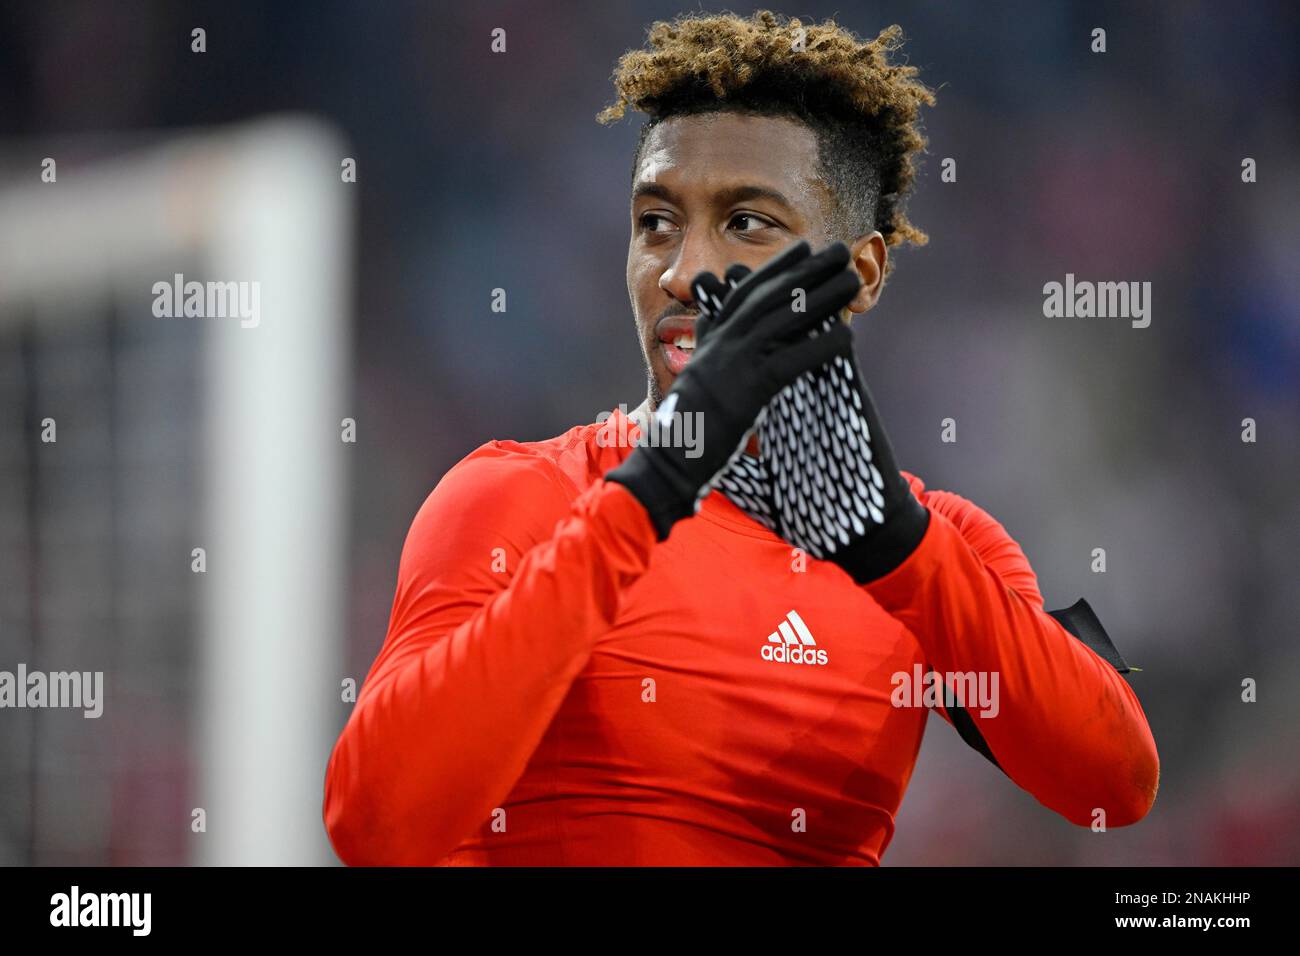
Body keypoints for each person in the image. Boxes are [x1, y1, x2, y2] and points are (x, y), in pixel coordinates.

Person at [323, 10, 1159, 866]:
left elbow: (1114, 784)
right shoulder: (514, 498)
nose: (682, 270)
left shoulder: (936, 547)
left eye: (746, 223)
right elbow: (375, 823)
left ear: (860, 272)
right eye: (655, 222)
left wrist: (900, 551)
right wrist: (651, 491)